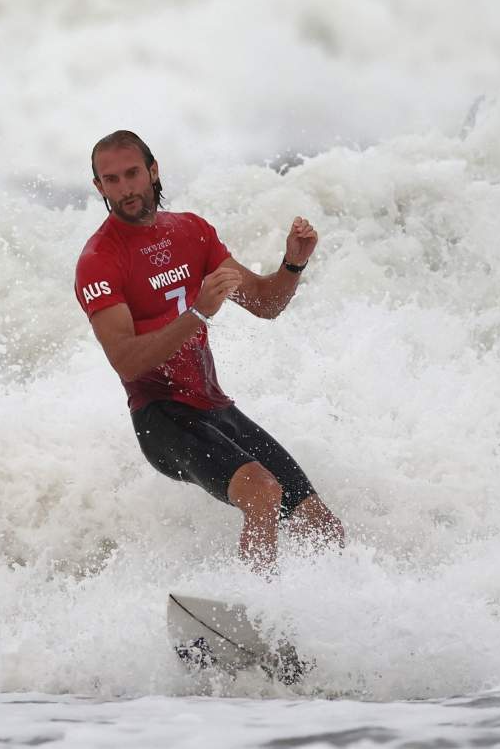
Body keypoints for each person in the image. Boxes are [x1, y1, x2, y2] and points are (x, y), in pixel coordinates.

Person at [75, 130, 344, 572]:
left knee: (323, 528)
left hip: (215, 409)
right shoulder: (99, 260)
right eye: (112, 180)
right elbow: (124, 359)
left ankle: (334, 618)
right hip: (161, 418)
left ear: (153, 171)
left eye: (132, 174)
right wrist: (198, 314)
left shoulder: (191, 232)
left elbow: (265, 303)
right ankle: (258, 617)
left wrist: (293, 263)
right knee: (262, 492)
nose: (125, 188)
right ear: (99, 188)